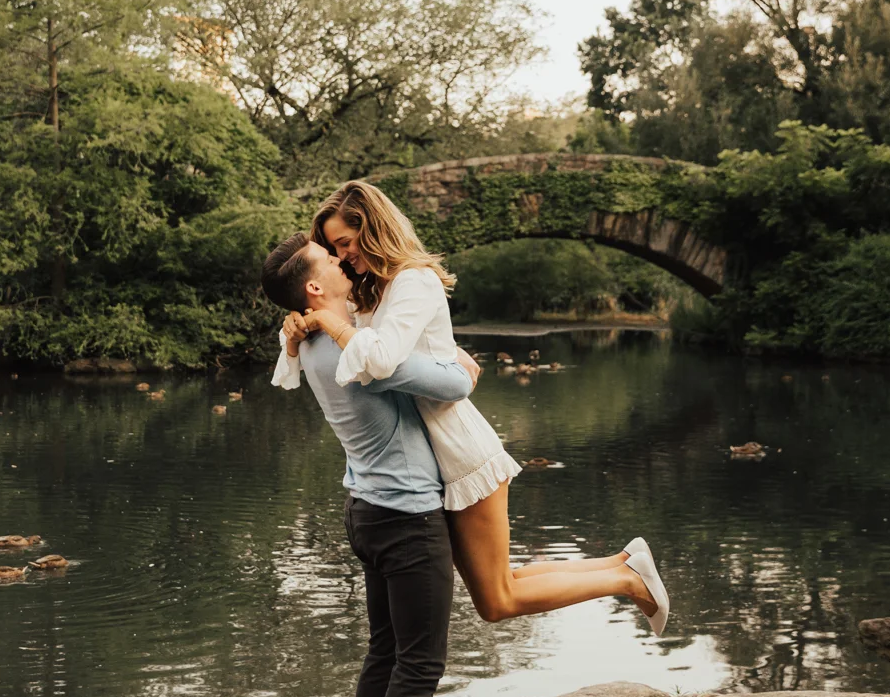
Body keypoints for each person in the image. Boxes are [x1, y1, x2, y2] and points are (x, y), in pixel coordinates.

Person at [276, 180, 670, 632]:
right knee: (500, 584)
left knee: (496, 600)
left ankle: (625, 580)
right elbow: (373, 342)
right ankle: (624, 562)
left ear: (372, 229)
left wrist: (328, 321)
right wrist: (296, 326)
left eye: (344, 243)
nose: (342, 256)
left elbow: (379, 357)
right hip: (434, 462)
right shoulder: (373, 289)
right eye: (332, 249)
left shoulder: (411, 280)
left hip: (461, 453)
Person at [262, 230, 477, 697]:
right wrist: (461, 367)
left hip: (368, 509)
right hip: (407, 516)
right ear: (313, 286)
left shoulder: (324, 342)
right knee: (419, 666)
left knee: (384, 656)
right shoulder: (353, 351)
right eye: (333, 258)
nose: (346, 259)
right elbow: (450, 382)